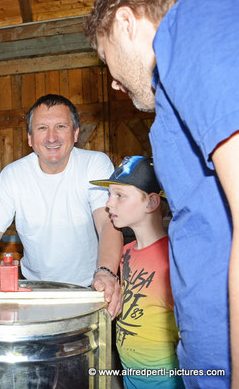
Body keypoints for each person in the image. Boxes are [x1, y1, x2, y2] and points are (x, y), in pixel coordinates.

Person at [85, 0, 238, 386]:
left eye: (106, 59)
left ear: (125, 21)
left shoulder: (193, 25)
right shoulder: (171, 93)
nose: (114, 82)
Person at [0, 94, 123, 317]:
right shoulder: (13, 175)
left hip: (90, 289)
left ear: (75, 133)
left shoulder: (95, 164)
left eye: (61, 126)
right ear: (29, 137)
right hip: (34, 292)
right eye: (42, 128)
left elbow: (107, 224)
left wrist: (106, 272)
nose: (52, 137)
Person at [91, 156, 183, 388]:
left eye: (120, 196)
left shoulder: (174, 259)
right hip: (130, 377)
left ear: (151, 203)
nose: (109, 204)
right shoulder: (125, 252)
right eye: (109, 195)